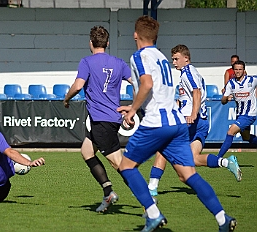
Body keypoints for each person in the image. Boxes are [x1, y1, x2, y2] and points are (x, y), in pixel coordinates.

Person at [117, 15, 236, 232]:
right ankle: (222, 218)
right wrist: (136, 105)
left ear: (136, 35)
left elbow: (147, 83)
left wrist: (133, 109)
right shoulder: (163, 58)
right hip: (177, 124)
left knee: (126, 166)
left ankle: (153, 214)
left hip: (156, 123)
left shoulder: (138, 56)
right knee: (187, 174)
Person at [146, 45, 242, 197]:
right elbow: (188, 98)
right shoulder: (191, 73)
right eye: (173, 59)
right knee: (193, 160)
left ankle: (152, 187)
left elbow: (196, 93)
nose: (174, 62)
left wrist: (192, 113)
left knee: (163, 147)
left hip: (191, 122)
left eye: (176, 59)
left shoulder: (187, 73)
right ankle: (225, 162)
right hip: (202, 123)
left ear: (186, 58)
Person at [63, 25, 134, 213]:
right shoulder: (119, 62)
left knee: (119, 163)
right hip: (107, 119)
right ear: (108, 43)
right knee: (87, 151)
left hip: (103, 120)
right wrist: (134, 108)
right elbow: (138, 82)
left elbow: (78, 86)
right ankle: (108, 192)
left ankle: (147, 198)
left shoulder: (87, 61)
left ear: (90, 43)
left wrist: (66, 98)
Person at [217, 60, 257, 158]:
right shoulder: (231, 83)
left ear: (244, 70)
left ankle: (218, 158)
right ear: (233, 70)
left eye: (240, 69)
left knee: (230, 131)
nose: (238, 71)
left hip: (249, 114)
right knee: (246, 137)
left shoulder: (252, 80)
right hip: (240, 114)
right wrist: (226, 98)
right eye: (236, 69)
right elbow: (223, 101)